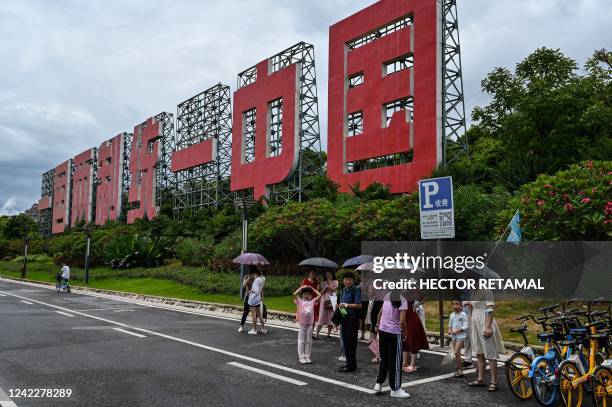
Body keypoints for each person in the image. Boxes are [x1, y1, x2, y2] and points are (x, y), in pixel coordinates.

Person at [466, 289, 505, 392]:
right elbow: (471, 309)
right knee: (479, 352)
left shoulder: (486, 291)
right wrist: (469, 323)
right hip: (475, 324)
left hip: (484, 323)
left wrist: (488, 327)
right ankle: (480, 379)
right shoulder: (472, 292)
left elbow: (490, 308)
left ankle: (494, 381)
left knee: (490, 353)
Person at [373, 291, 410, 398]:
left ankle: (378, 384)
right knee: (396, 362)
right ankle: (395, 389)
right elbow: (402, 321)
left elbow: (380, 313)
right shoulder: (403, 300)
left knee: (384, 358)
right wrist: (405, 332)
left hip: (383, 330)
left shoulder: (387, 295)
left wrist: (377, 325)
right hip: (395, 332)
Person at [338, 271, 361, 372]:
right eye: (346, 279)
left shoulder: (356, 291)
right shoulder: (343, 290)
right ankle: (350, 364)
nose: (347, 281)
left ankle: (350, 365)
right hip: (344, 318)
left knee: (351, 343)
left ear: (353, 280)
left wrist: (346, 305)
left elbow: (359, 305)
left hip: (352, 319)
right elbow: (341, 304)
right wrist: (339, 306)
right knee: (346, 342)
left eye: (349, 280)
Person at [293, 285, 321, 364]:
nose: (307, 295)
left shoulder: (312, 301)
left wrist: (312, 288)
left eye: (308, 294)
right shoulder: (300, 301)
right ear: (302, 295)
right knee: (301, 341)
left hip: (310, 324)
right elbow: (294, 294)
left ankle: (307, 356)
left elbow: (319, 295)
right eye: (305, 294)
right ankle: (301, 357)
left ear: (311, 295)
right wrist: (302, 288)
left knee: (309, 341)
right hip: (302, 324)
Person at [402, 299, 429, 373]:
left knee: (413, 338)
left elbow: (423, 297)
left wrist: (416, 305)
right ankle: (405, 362)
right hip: (403, 317)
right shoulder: (401, 291)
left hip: (411, 317)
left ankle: (412, 364)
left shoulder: (412, 290)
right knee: (404, 339)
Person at [314, 270, 338, 340]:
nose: (328, 275)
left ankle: (328, 335)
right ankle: (316, 334)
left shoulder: (335, 282)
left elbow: (333, 289)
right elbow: (319, 292)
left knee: (330, 317)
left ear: (332, 274)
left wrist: (330, 281)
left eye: (329, 274)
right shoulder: (323, 282)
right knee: (321, 317)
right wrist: (323, 290)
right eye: (327, 274)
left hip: (332, 300)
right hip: (323, 300)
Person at [448, 297, 468, 378]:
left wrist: (458, 330)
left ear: (461, 305)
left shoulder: (463, 315)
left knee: (456, 352)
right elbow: (450, 324)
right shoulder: (451, 315)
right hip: (454, 337)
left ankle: (461, 371)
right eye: (453, 304)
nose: (455, 306)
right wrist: (449, 330)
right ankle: (460, 368)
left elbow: (466, 326)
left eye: (457, 304)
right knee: (457, 354)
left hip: (461, 336)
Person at [301, 269, 320, 337]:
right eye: (311, 273)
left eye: (314, 273)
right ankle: (304, 330)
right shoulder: (305, 281)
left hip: (313, 301)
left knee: (313, 317)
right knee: (306, 316)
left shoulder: (316, 282)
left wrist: (318, 283)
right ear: (309, 273)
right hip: (306, 301)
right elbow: (301, 290)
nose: (313, 274)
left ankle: (311, 332)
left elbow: (317, 291)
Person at [247, 267, 266, 335]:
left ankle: (254, 329)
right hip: (258, 298)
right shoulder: (261, 279)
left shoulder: (256, 280)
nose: (251, 276)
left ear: (255, 274)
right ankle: (263, 328)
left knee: (253, 314)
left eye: (251, 274)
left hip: (253, 299)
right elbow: (260, 289)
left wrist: (251, 291)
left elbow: (256, 290)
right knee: (259, 314)